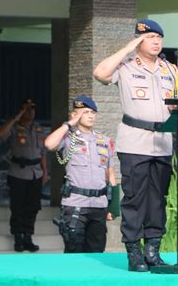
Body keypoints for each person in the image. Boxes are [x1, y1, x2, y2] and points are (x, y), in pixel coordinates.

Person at [93, 19, 178, 271]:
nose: (156, 42)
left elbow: (176, 103)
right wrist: (127, 47)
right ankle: (133, 252)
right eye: (150, 37)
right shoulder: (126, 67)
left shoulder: (170, 69)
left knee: (157, 198)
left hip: (163, 142)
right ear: (138, 40)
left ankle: (152, 250)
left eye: (159, 38)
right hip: (134, 141)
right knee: (134, 198)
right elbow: (100, 73)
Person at [45, 95, 116, 253]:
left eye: (92, 112)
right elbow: (49, 144)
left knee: (97, 251)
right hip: (75, 204)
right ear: (75, 114)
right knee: (74, 250)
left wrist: (113, 207)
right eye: (85, 112)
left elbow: (110, 175)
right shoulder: (68, 138)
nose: (90, 116)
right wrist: (68, 124)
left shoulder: (104, 140)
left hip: (99, 205)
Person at [0, 99, 48, 252]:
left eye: (32, 109)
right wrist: (16, 117)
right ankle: (18, 236)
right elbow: (0, 134)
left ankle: (28, 236)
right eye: (27, 109)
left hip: (35, 173)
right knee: (18, 206)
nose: (31, 112)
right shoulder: (14, 127)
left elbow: (43, 153)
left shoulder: (39, 129)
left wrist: (45, 172)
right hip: (18, 171)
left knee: (33, 207)